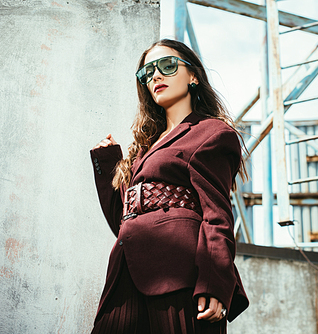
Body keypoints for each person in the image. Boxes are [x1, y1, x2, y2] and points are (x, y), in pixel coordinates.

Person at [90, 39, 249, 334]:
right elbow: (122, 220)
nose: (156, 76)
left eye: (167, 65)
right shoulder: (145, 148)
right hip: (125, 278)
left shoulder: (212, 133)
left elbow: (217, 215)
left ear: (193, 76)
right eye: (147, 72)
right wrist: (108, 162)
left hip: (181, 277)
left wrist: (214, 283)